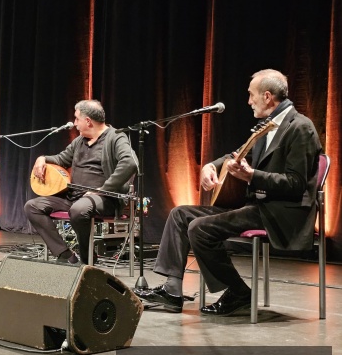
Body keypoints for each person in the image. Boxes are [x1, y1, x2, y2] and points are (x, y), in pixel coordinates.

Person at [135, 69, 322, 315]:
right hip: (257, 206)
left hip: (281, 213)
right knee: (181, 214)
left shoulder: (300, 128)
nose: (248, 101)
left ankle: (238, 292)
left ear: (267, 96)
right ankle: (172, 290)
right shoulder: (267, 127)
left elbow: (296, 184)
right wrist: (211, 165)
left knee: (199, 228)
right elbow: (236, 154)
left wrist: (252, 176)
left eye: (251, 95)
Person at [24, 99, 138, 265]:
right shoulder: (79, 141)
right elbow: (61, 159)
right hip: (73, 197)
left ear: (88, 121)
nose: (75, 123)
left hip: (104, 198)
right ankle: (65, 255)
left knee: (79, 209)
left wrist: (103, 189)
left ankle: (87, 256)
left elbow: (130, 163)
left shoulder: (115, 137)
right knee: (32, 206)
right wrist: (42, 158)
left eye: (77, 119)